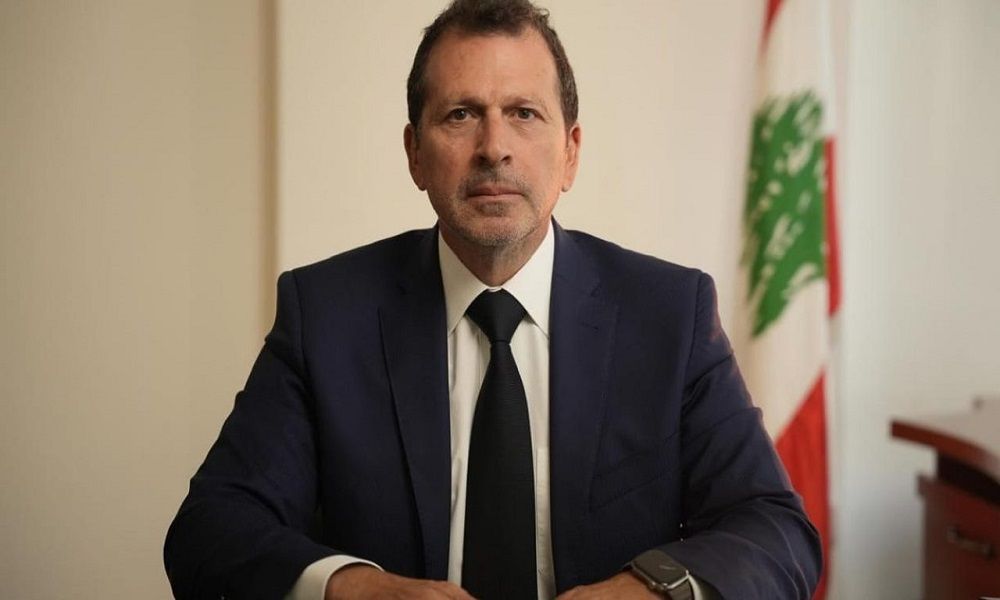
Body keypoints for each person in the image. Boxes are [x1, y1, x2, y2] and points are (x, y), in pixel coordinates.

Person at [164, 1, 822, 598]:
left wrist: (649, 591)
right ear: (414, 154)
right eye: (461, 115)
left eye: (524, 114)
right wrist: (356, 589)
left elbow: (775, 530)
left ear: (571, 153)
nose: (494, 148)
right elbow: (210, 529)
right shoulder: (327, 316)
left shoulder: (669, 315)